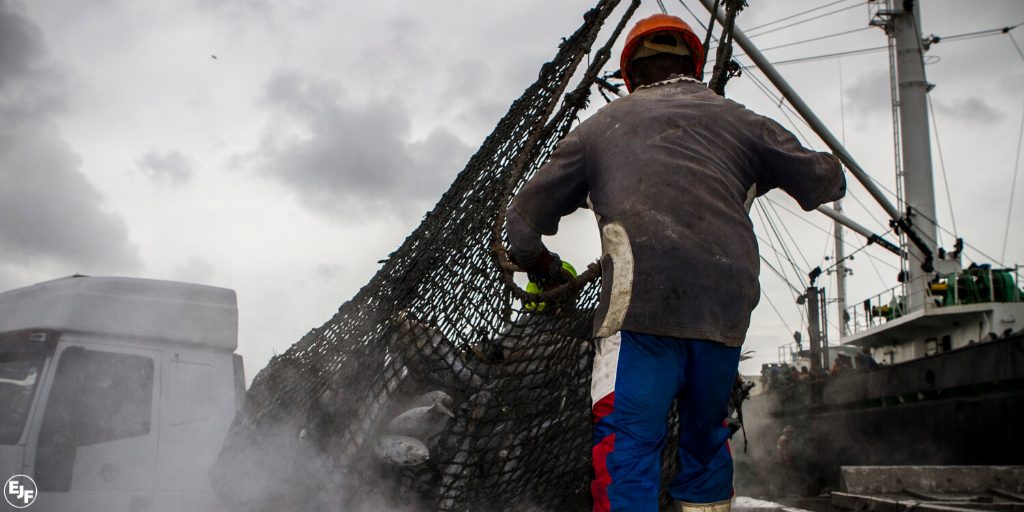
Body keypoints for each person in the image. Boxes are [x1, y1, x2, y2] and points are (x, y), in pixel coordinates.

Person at [505, 13, 845, 512]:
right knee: (707, 443)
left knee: (629, 449)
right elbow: (826, 181)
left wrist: (543, 269)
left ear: (629, 75)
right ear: (695, 64)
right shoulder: (746, 123)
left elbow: (519, 227)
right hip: (724, 313)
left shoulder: (597, 130)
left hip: (639, 309)